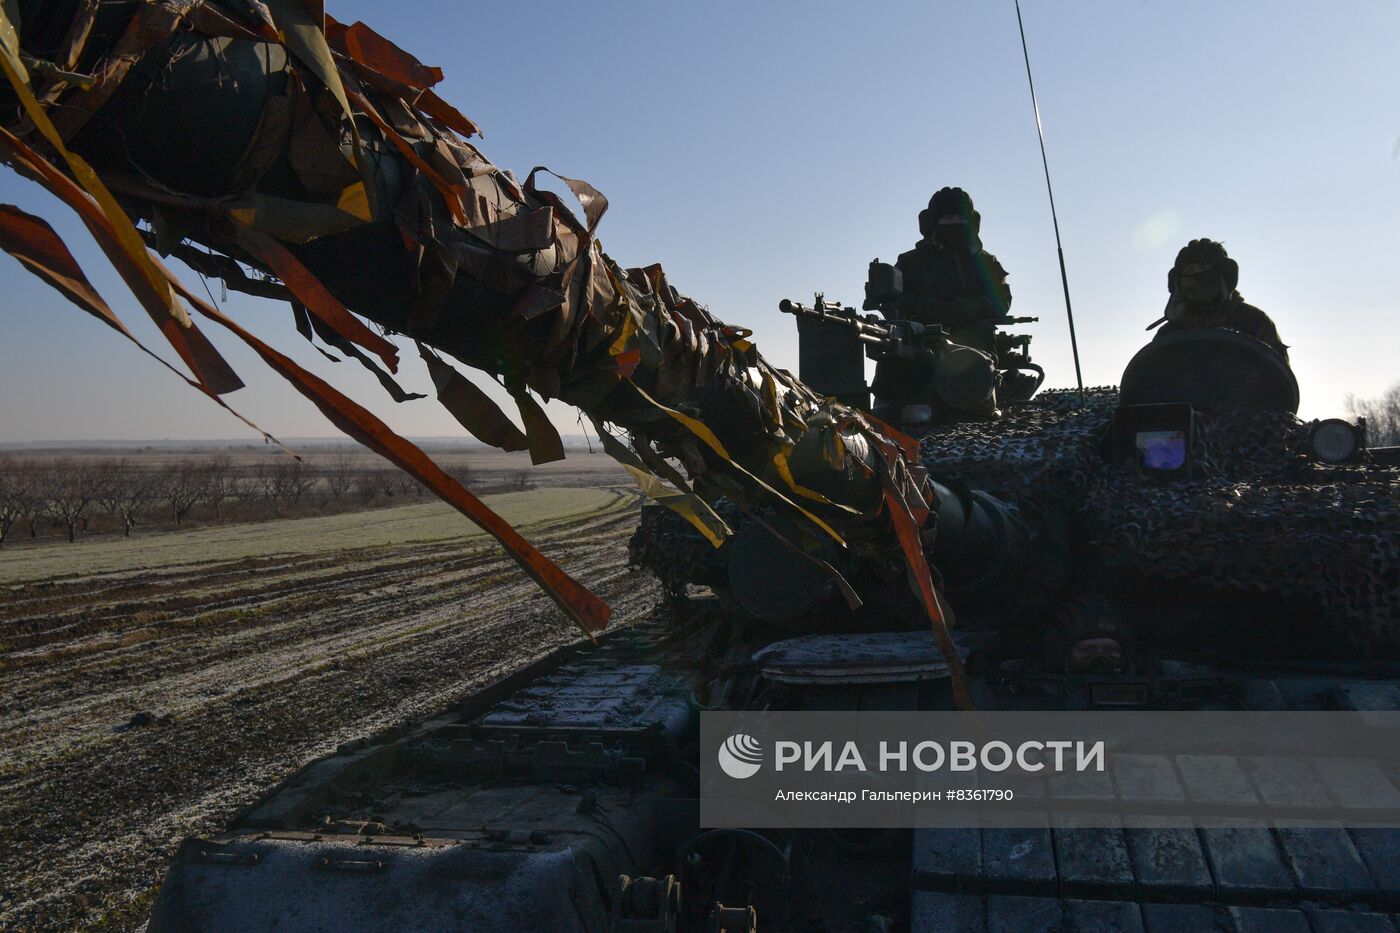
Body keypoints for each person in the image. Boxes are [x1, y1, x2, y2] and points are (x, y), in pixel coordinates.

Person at [890, 187, 1012, 356]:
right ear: (933, 222)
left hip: (974, 344)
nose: (955, 222)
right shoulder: (909, 261)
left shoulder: (986, 262)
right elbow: (894, 300)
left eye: (961, 217)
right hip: (918, 341)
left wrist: (971, 307)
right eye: (947, 218)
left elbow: (1002, 300)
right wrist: (928, 308)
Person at [1150, 239, 1289, 361]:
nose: (1197, 276)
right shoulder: (1169, 335)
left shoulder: (1254, 323)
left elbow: (1278, 377)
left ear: (1223, 276)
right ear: (1179, 283)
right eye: (1190, 270)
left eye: (1204, 268)